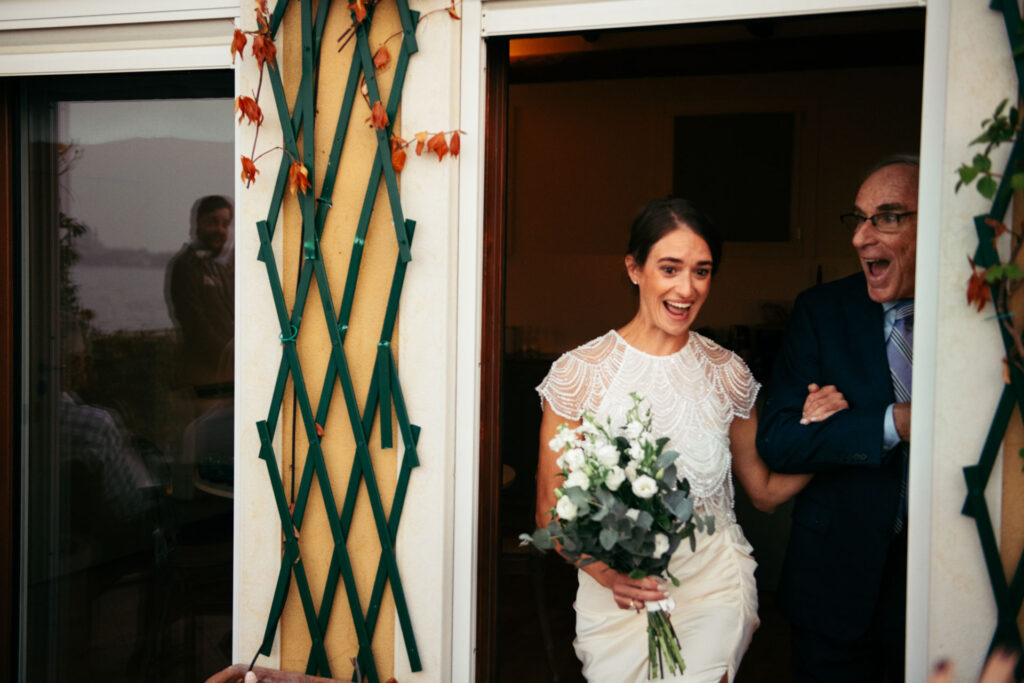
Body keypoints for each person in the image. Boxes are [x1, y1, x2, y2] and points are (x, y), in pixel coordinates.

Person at [535, 198, 811, 683]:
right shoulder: (579, 375)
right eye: (670, 268)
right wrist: (610, 574)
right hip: (617, 598)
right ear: (634, 268)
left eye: (702, 271)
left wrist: (828, 439)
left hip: (714, 583)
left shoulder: (729, 375)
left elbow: (763, 493)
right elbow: (550, 517)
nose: (687, 288)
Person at [755, 155, 919, 682]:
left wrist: (832, 428)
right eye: (858, 218)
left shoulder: (978, 314)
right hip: (833, 586)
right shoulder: (821, 312)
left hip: (941, 582)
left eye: (887, 217)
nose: (861, 237)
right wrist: (894, 422)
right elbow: (779, 442)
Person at [166, 195, 235, 394]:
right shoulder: (185, 266)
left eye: (225, 224)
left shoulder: (218, 269)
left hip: (227, 377)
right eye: (213, 222)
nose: (220, 230)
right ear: (198, 223)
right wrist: (231, 358)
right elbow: (195, 325)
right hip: (204, 381)